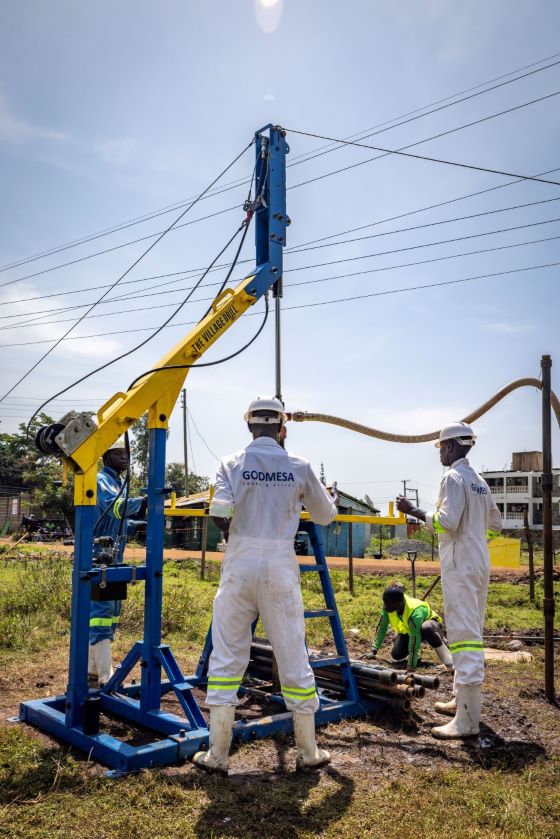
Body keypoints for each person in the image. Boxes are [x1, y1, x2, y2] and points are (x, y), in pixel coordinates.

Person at [192, 396, 337, 774]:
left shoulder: (231, 463)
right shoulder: (299, 466)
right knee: (292, 653)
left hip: (239, 562)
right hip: (279, 565)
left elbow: (219, 511)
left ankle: (218, 754)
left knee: (227, 654)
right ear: (282, 429)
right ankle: (308, 752)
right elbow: (324, 515)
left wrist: (235, 533)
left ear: (249, 426)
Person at [396, 421, 502, 739]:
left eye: (441, 447)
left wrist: (413, 511)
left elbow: (447, 522)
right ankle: (461, 700)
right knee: (467, 630)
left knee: (464, 636)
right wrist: (473, 540)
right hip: (477, 563)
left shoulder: (453, 477)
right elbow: (495, 524)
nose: (440, 453)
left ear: (452, 446)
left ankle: (468, 721)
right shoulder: (478, 480)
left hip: (461, 566)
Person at [88, 438, 146, 687]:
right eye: (118, 453)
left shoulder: (118, 481)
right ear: (106, 457)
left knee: (109, 612)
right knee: (101, 613)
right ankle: (105, 675)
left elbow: (119, 522)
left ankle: (92, 669)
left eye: (126, 453)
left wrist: (140, 523)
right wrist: (146, 502)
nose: (125, 457)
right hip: (98, 554)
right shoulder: (101, 480)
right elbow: (116, 508)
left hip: (112, 555)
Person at [369, 583, 453, 671]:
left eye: (388, 604)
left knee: (426, 627)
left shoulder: (415, 613)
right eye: (384, 603)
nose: (385, 607)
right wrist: (373, 650)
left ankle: (449, 661)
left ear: (398, 604)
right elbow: (382, 627)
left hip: (431, 626)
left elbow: (415, 638)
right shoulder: (388, 605)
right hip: (409, 629)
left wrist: (411, 666)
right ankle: (416, 657)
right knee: (397, 654)